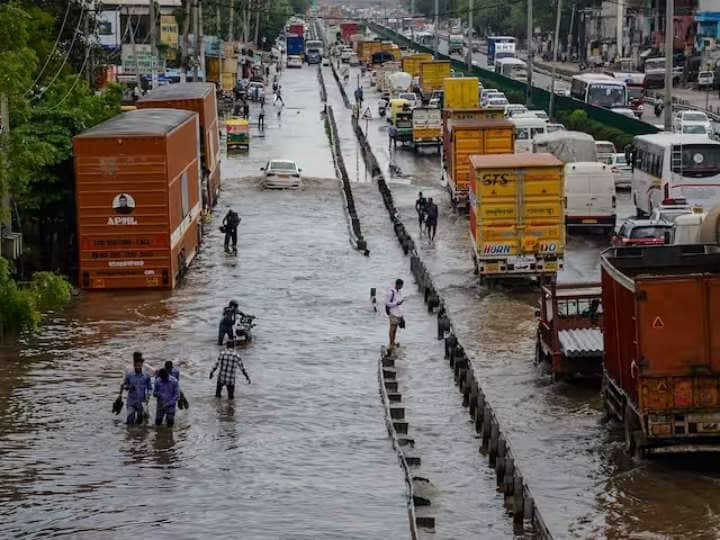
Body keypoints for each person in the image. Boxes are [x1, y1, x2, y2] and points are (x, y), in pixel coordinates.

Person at [121, 352, 152, 425]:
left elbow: (150, 388)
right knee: (130, 420)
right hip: (131, 401)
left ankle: (138, 435)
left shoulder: (146, 375)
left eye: (139, 366)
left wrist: (148, 396)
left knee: (140, 421)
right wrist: (128, 387)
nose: (137, 367)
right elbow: (124, 386)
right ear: (134, 365)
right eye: (136, 366)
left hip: (142, 402)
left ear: (141, 365)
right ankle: (130, 434)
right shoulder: (129, 374)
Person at [385, 279, 405, 351]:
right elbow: (387, 303)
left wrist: (402, 314)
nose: (402, 287)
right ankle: (391, 343)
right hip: (393, 312)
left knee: (395, 329)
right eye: (401, 285)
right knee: (392, 328)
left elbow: (398, 302)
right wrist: (396, 303)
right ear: (398, 284)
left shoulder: (398, 291)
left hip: (398, 313)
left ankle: (393, 342)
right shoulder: (391, 292)